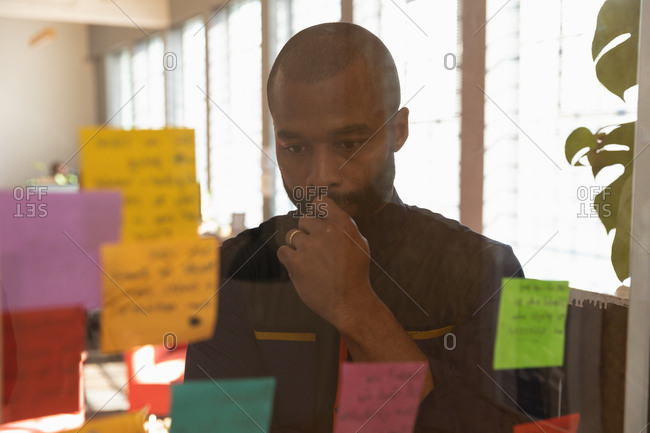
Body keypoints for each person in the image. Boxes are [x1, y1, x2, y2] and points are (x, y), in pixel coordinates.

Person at [185, 22, 545, 432]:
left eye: (348, 143)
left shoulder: (503, 269)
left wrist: (358, 310)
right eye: (296, 148)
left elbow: (535, 427)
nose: (321, 177)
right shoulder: (228, 269)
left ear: (399, 129)